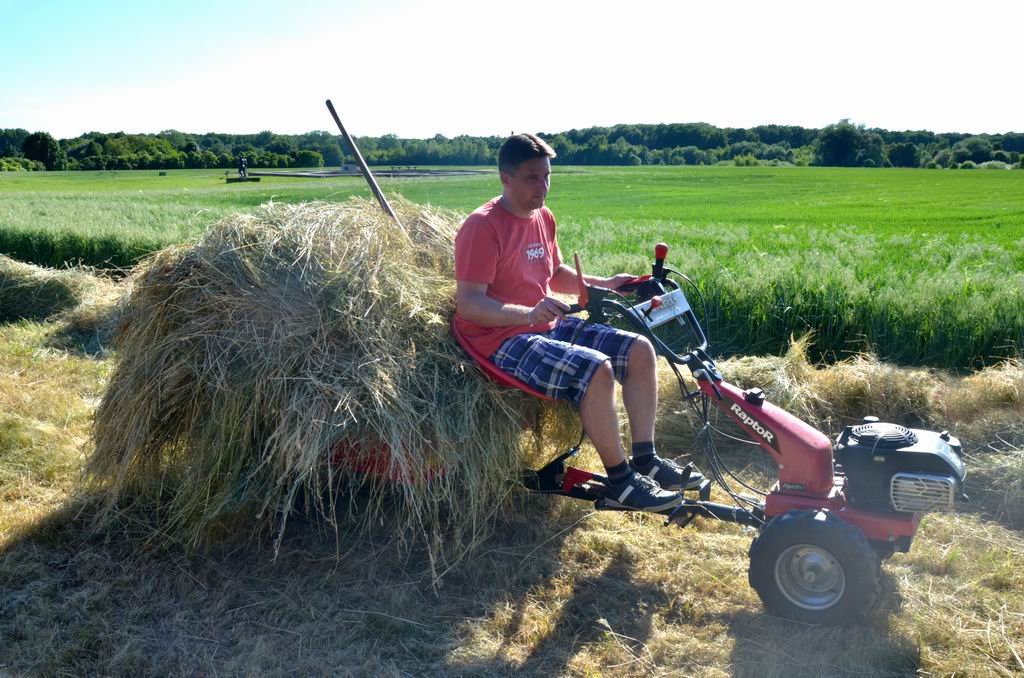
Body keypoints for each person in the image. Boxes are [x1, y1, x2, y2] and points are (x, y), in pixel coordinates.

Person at [454, 133, 703, 512]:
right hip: (498, 337)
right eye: (532, 178)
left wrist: (604, 283)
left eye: (547, 176)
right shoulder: (482, 227)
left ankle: (645, 461)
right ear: (505, 178)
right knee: (596, 370)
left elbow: (554, 273)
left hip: (542, 325)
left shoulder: (543, 217)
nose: (543, 187)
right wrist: (527, 313)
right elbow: (469, 305)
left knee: (639, 350)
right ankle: (621, 484)